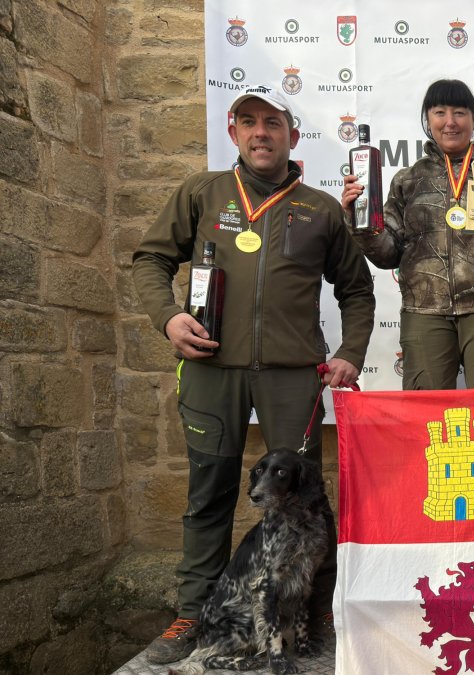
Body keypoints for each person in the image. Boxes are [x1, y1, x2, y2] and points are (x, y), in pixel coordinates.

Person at [131, 84, 376, 664]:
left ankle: (317, 612)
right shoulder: (202, 193)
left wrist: (351, 353)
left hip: (293, 377)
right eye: (249, 122)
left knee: (307, 503)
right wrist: (167, 318)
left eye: (273, 122)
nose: (260, 132)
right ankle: (194, 613)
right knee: (208, 494)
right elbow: (151, 259)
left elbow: (358, 291)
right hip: (211, 366)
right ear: (233, 131)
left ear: (293, 135)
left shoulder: (319, 209)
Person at [341, 79, 474, 390]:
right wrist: (359, 220)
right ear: (428, 120)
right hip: (425, 314)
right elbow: (389, 255)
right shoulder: (408, 180)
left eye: (460, 113)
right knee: (426, 420)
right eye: (439, 112)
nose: (449, 122)